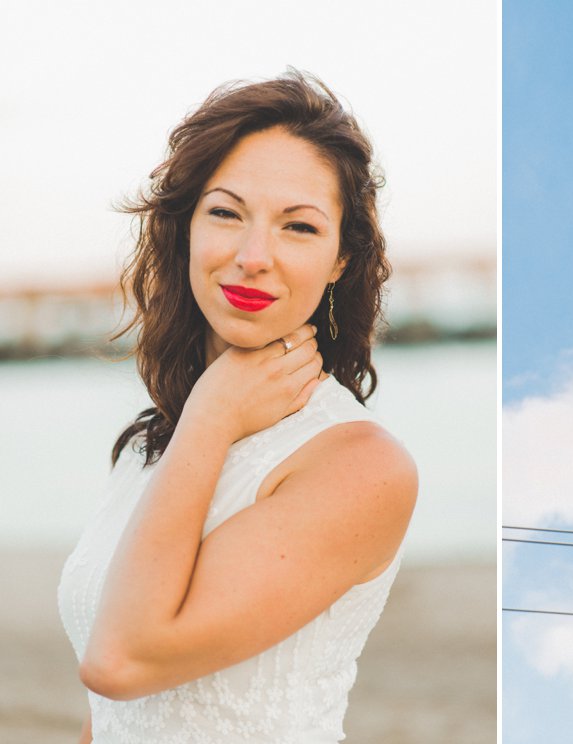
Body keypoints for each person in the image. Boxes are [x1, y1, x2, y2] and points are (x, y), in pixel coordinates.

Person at [57, 70, 417, 743]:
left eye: (299, 227)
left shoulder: (361, 465)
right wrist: (200, 418)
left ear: (341, 259)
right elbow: (108, 718)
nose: (254, 257)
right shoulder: (154, 442)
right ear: (185, 228)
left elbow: (120, 662)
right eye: (225, 213)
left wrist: (213, 416)